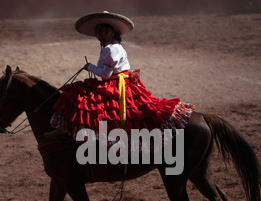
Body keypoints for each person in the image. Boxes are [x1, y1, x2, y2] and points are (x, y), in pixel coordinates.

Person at [45, 11, 193, 141]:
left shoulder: (111, 49)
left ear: (112, 32)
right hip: (116, 81)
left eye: (104, 31)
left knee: (80, 98)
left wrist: (89, 67)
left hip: (116, 84)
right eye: (99, 31)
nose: (101, 34)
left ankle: (71, 132)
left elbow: (106, 73)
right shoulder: (109, 46)